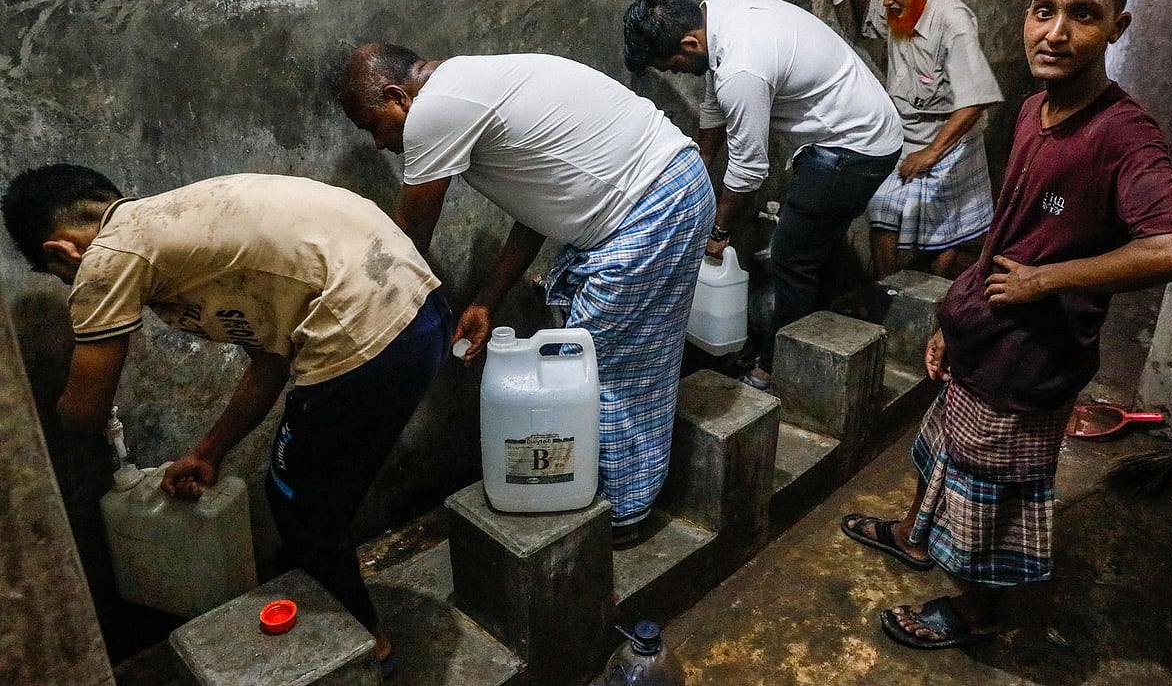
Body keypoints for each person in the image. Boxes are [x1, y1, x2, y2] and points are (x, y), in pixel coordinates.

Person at [840, 0, 1172, 649]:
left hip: (1029, 362)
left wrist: (1045, 280)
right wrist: (954, 319)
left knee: (985, 501)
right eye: (1044, 11)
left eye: (1083, 15)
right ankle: (916, 538)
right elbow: (1011, 232)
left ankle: (977, 613)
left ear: (1117, 28)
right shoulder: (1037, 107)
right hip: (984, 336)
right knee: (939, 454)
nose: (1056, 32)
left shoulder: (1122, 136)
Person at [1, 166, 450, 676]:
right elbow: (269, 363)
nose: (74, 284)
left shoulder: (110, 257)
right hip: (421, 312)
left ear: (63, 251)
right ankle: (325, 596)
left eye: (64, 278)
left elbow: (84, 413)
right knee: (312, 498)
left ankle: (372, 649)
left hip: (366, 334)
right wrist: (208, 451)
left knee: (298, 505)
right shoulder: (184, 222)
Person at [338, 45, 715, 546]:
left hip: (652, 208)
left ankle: (616, 519)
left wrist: (357, 332)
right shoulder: (472, 81)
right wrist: (488, 299)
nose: (379, 144)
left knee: (597, 374)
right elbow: (538, 207)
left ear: (396, 97)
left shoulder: (434, 111)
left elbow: (408, 237)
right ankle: (618, 497)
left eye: (373, 125)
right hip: (672, 188)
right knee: (629, 368)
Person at [621, 0, 904, 392]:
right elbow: (713, 107)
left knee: (790, 258)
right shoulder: (719, 15)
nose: (677, 72)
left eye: (674, 65)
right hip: (855, 127)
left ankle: (776, 369)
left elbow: (750, 169)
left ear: (690, 43)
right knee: (809, 249)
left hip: (856, 146)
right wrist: (695, 170)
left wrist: (718, 233)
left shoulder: (742, 68)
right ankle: (812, 337)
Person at [831, 0, 1004, 279]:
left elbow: (975, 100)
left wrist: (931, 153)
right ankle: (886, 290)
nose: (887, 0)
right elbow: (869, 15)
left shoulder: (953, 20)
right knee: (882, 208)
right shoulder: (897, 7)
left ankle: (932, 302)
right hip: (906, 132)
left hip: (952, 136)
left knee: (944, 233)